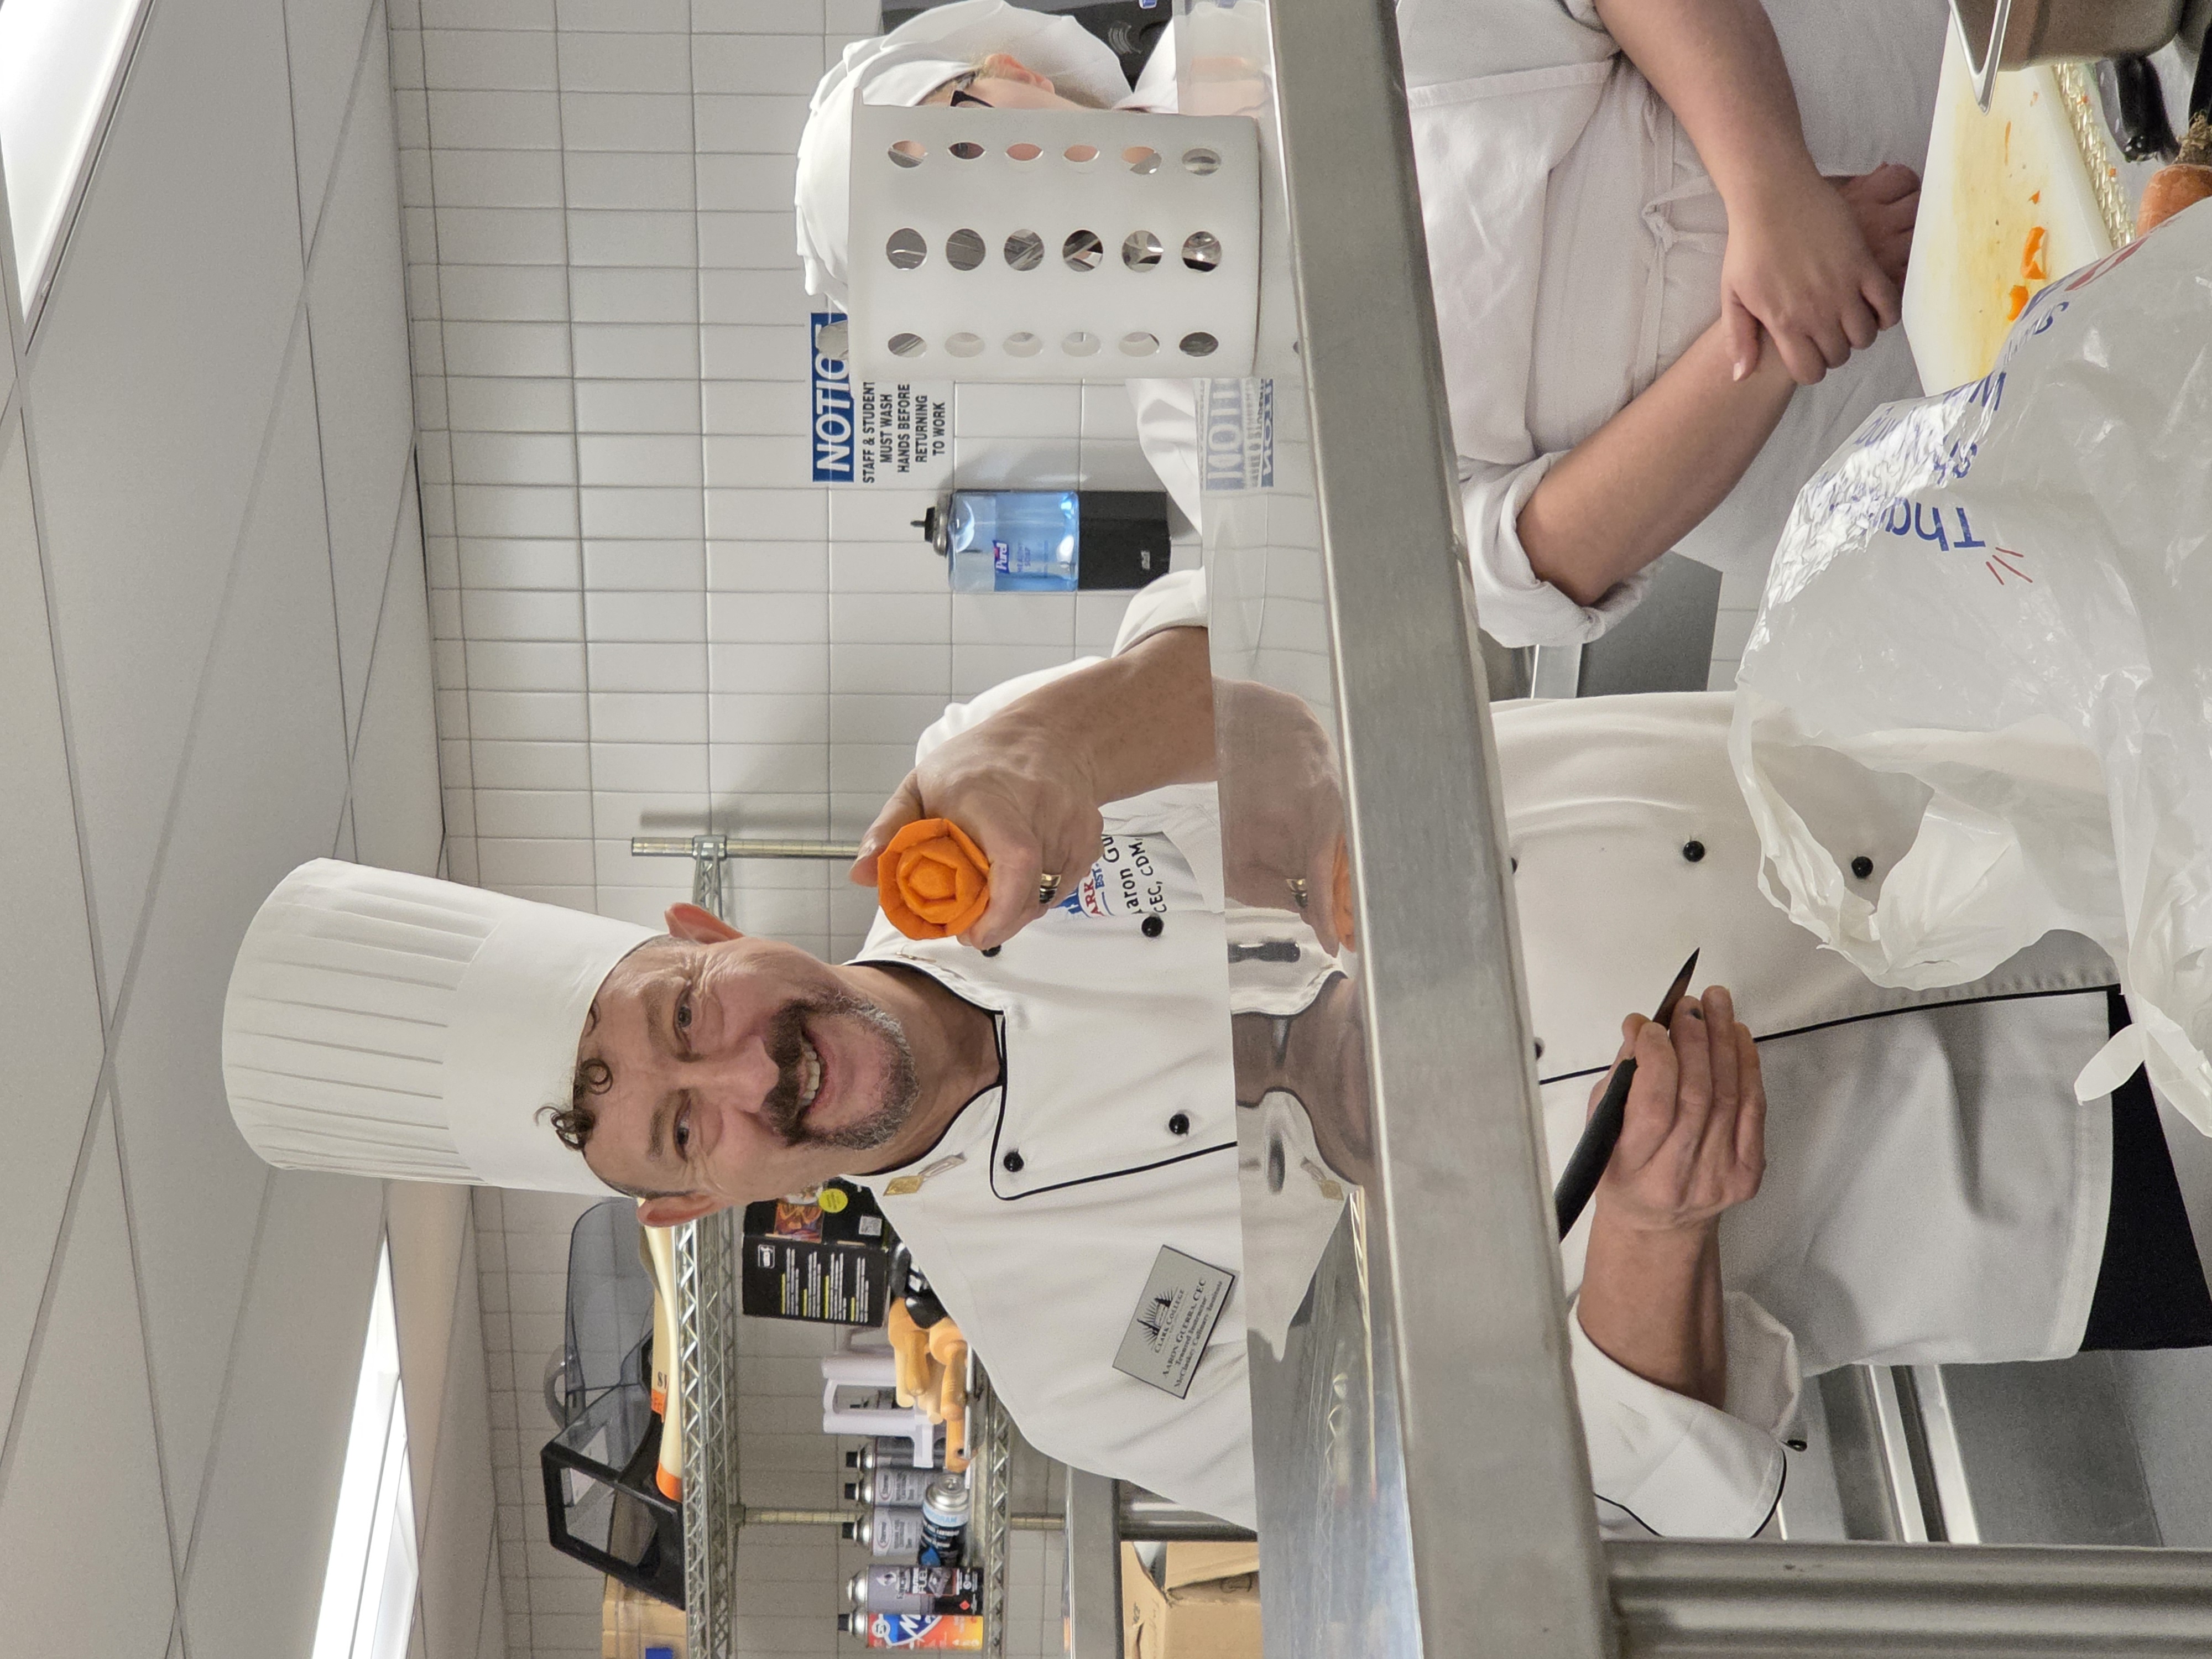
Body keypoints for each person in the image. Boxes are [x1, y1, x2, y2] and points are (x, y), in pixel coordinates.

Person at [225, 569, 2212, 1537]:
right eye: (688, 1129)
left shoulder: (982, 801)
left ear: (700, 935)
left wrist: (1061, 730)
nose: (752, 1077)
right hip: (2055, 1192)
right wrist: (1651, 1246)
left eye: (690, 1021)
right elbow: (1567, 1503)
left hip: (1975, 782)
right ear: (693, 1207)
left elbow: (1285, 625)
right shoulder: (1076, 1369)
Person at [793, 0, 1939, 647]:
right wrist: (1770, 343)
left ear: (1008, 72)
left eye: (964, 142)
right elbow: (1524, 559)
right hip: (1874, 458)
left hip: (1919, 92)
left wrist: (1771, 192)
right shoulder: (1207, 439)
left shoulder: (1266, 30)